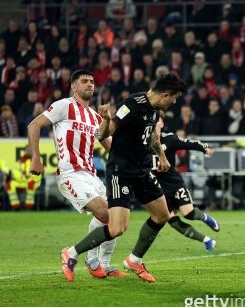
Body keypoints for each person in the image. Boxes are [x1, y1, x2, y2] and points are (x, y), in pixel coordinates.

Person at [59, 73, 187, 283]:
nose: (174, 102)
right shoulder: (132, 104)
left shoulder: (154, 111)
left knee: (162, 215)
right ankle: (71, 252)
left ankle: (135, 260)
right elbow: (104, 133)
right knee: (117, 228)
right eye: (174, 98)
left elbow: (152, 136)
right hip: (122, 171)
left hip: (142, 171)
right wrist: (106, 119)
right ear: (165, 95)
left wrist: (162, 157)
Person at [28, 70, 125, 279]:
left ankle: (103, 265)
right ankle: (87, 258)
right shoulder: (64, 106)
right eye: (84, 81)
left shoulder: (95, 117)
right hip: (70, 174)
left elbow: (111, 147)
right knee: (106, 214)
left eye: (92, 81)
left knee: (116, 218)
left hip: (91, 176)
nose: (90, 84)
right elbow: (34, 125)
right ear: (74, 86)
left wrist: (107, 121)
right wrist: (35, 158)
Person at [153, 116, 220, 251]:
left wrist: (204, 148)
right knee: (171, 220)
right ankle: (207, 240)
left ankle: (205, 217)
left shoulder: (170, 139)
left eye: (157, 120)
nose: (154, 122)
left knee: (188, 213)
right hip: (158, 189)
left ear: (162, 124)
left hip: (174, 184)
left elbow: (189, 143)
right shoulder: (142, 142)